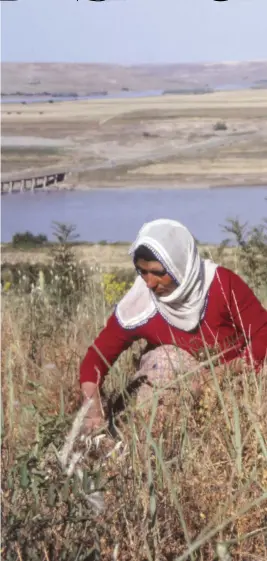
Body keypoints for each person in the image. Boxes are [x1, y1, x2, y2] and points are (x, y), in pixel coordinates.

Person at [80, 219, 267, 430]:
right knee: (165, 360)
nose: (149, 282)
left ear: (180, 266)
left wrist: (225, 373)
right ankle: (148, 440)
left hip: (232, 383)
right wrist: (92, 409)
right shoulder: (140, 304)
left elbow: (263, 332)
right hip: (172, 391)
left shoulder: (221, 284)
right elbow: (96, 359)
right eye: (142, 271)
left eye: (158, 272)